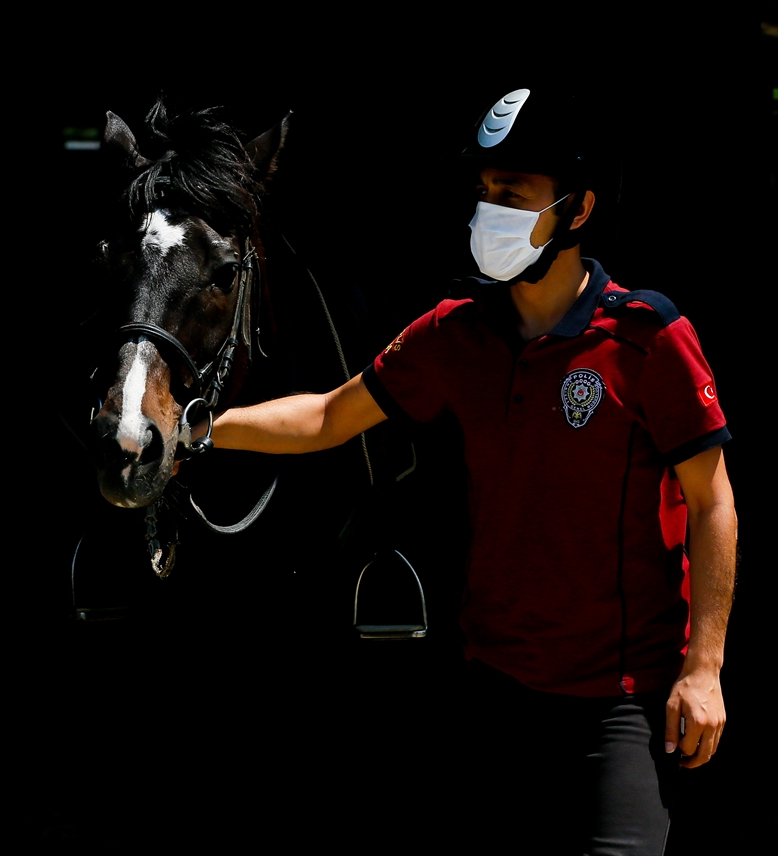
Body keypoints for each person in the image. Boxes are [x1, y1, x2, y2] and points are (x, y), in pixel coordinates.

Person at [199, 88, 736, 853]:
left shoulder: (649, 338)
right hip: (493, 691)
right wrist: (196, 432)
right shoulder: (453, 334)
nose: (490, 212)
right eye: (484, 193)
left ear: (576, 212)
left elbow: (712, 502)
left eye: (513, 196)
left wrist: (705, 668)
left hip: (619, 703)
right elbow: (328, 417)